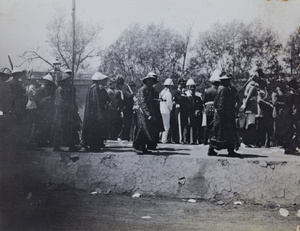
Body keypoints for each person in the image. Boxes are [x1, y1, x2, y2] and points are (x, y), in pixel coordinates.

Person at [208, 73, 241, 157]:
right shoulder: (222, 89)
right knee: (220, 133)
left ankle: (230, 150)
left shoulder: (227, 89)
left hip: (226, 115)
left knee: (223, 133)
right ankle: (212, 149)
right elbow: (219, 103)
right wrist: (223, 112)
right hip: (223, 116)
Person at [133, 72, 163, 154]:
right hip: (142, 113)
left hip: (149, 112)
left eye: (152, 81)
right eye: (149, 81)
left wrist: (156, 101)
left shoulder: (151, 90)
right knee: (142, 130)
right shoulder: (142, 90)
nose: (151, 82)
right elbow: (143, 102)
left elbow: (150, 101)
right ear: (146, 81)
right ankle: (137, 146)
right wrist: (147, 114)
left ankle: (144, 147)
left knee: (148, 130)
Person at [52, 72, 81, 152]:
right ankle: (56, 146)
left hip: (67, 113)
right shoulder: (60, 90)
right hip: (61, 113)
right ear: (64, 81)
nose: (69, 82)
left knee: (70, 129)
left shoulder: (67, 89)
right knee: (59, 129)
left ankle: (72, 145)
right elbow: (60, 102)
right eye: (68, 80)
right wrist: (68, 105)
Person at [81, 72, 110, 151]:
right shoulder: (95, 88)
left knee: (90, 128)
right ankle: (93, 145)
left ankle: (88, 143)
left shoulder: (91, 87)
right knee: (94, 129)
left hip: (90, 112)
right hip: (94, 112)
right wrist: (99, 112)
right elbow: (96, 101)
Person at [35, 73, 57, 146]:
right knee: (41, 126)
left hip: (49, 110)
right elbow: (37, 100)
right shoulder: (40, 89)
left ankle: (46, 139)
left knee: (48, 125)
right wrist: (46, 99)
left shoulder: (51, 89)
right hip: (41, 110)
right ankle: (40, 140)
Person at [203, 70, 220, 145]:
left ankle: (205, 140)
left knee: (208, 125)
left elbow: (204, 100)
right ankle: (213, 139)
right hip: (215, 108)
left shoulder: (207, 90)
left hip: (208, 108)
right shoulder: (218, 91)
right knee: (215, 125)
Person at [283, 77, 299, 154]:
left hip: (286, 115)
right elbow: (295, 106)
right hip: (291, 115)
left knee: (287, 131)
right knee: (292, 131)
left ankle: (287, 148)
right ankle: (291, 148)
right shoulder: (293, 95)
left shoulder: (287, 93)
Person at [172, 78, 189, 144]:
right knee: (178, 123)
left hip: (183, 110)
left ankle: (181, 138)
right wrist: (182, 95)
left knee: (183, 123)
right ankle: (178, 139)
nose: (182, 86)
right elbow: (179, 99)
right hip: (178, 109)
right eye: (181, 84)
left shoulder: (184, 93)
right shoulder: (176, 92)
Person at [271, 79, 286, 147]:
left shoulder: (283, 91)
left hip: (283, 113)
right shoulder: (276, 92)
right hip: (277, 113)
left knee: (282, 128)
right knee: (276, 128)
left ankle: (281, 142)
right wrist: (284, 104)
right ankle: (276, 142)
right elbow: (274, 103)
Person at [159, 78, 174, 144]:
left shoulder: (161, 92)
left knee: (161, 125)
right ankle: (164, 139)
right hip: (166, 110)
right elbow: (169, 103)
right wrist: (171, 109)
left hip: (161, 109)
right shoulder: (168, 93)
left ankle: (159, 138)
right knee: (166, 126)